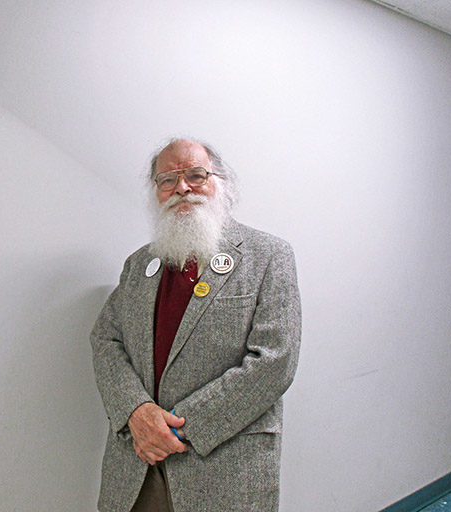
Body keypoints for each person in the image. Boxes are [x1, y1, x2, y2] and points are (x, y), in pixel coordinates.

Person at [90, 138, 301, 512]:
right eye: (167, 180)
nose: (182, 188)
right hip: (138, 464)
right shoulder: (139, 265)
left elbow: (275, 360)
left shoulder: (269, 255)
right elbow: (105, 338)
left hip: (222, 463)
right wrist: (137, 412)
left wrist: (174, 429)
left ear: (220, 181)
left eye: (195, 175)